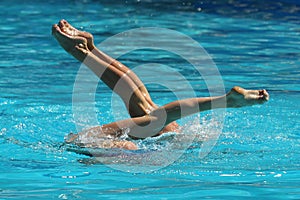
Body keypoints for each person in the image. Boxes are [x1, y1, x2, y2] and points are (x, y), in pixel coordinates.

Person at [52, 20, 269, 151]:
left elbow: (131, 145)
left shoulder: (85, 143)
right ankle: (86, 49)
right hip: (107, 141)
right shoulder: (109, 147)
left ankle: (86, 50)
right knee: (146, 107)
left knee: (149, 111)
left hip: (89, 141)